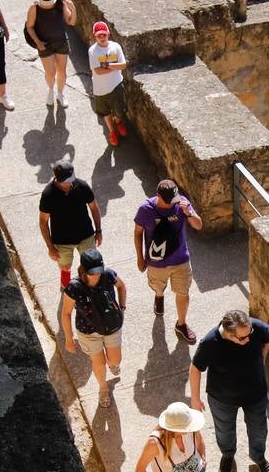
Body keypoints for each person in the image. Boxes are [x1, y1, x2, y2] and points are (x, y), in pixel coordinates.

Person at [188, 309, 269, 472]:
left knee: (259, 429)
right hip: (222, 398)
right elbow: (195, 368)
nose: (248, 339)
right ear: (228, 333)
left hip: (255, 394)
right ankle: (227, 456)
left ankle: (259, 458)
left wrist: (262, 358)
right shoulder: (210, 342)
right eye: (242, 338)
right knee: (224, 430)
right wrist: (195, 399)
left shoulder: (253, 328)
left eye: (249, 333)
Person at [134, 178, 202, 344]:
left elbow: (198, 225)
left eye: (175, 199)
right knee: (158, 287)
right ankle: (159, 296)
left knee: (183, 293)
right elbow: (138, 233)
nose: (174, 204)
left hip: (180, 259)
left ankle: (182, 324)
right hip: (157, 262)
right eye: (169, 201)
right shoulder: (145, 209)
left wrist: (188, 213)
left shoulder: (181, 203)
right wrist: (140, 258)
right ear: (158, 196)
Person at [59, 248, 124, 407]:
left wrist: (122, 308)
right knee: (98, 362)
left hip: (111, 327)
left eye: (98, 271)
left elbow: (122, 287)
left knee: (115, 360)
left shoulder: (108, 275)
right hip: (88, 332)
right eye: (92, 272)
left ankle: (113, 365)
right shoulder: (74, 287)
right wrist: (69, 339)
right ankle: (103, 388)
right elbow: (66, 313)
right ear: (83, 270)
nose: (96, 275)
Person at [39, 158, 102, 288]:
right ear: (57, 179)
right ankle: (68, 289)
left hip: (86, 236)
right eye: (65, 181)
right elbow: (43, 222)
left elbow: (94, 208)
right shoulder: (48, 194)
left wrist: (99, 230)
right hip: (62, 242)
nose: (69, 183)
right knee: (65, 267)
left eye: (71, 179)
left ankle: (88, 287)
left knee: (90, 266)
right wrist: (50, 247)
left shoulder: (82, 186)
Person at [25, 0, 77, 108]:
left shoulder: (60, 4)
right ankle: (50, 90)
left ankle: (60, 93)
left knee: (62, 71)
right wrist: (38, 43)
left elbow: (72, 22)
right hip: (44, 44)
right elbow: (29, 27)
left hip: (61, 42)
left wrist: (73, 9)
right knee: (50, 72)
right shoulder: (34, 8)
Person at [89, 21, 129, 146]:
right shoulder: (92, 51)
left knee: (119, 110)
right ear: (95, 36)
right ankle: (112, 132)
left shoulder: (115, 47)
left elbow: (123, 65)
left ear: (108, 34)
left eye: (104, 35)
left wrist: (106, 65)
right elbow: (98, 71)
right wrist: (113, 67)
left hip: (116, 85)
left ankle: (118, 122)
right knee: (105, 112)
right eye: (98, 35)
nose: (101, 38)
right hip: (100, 89)